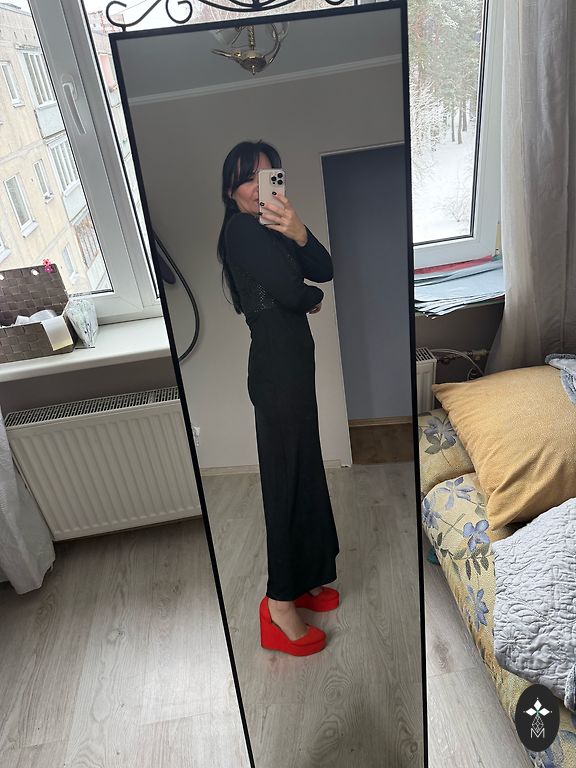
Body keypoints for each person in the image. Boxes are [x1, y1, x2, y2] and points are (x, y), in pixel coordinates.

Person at [217, 140, 340, 657]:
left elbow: (324, 267)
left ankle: (307, 577)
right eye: (248, 178)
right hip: (275, 370)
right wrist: (310, 296)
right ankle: (279, 605)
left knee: (305, 469)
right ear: (231, 189)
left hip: (293, 365)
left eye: (267, 176)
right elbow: (294, 291)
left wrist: (299, 231)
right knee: (285, 479)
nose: (258, 187)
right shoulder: (241, 230)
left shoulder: (274, 229)